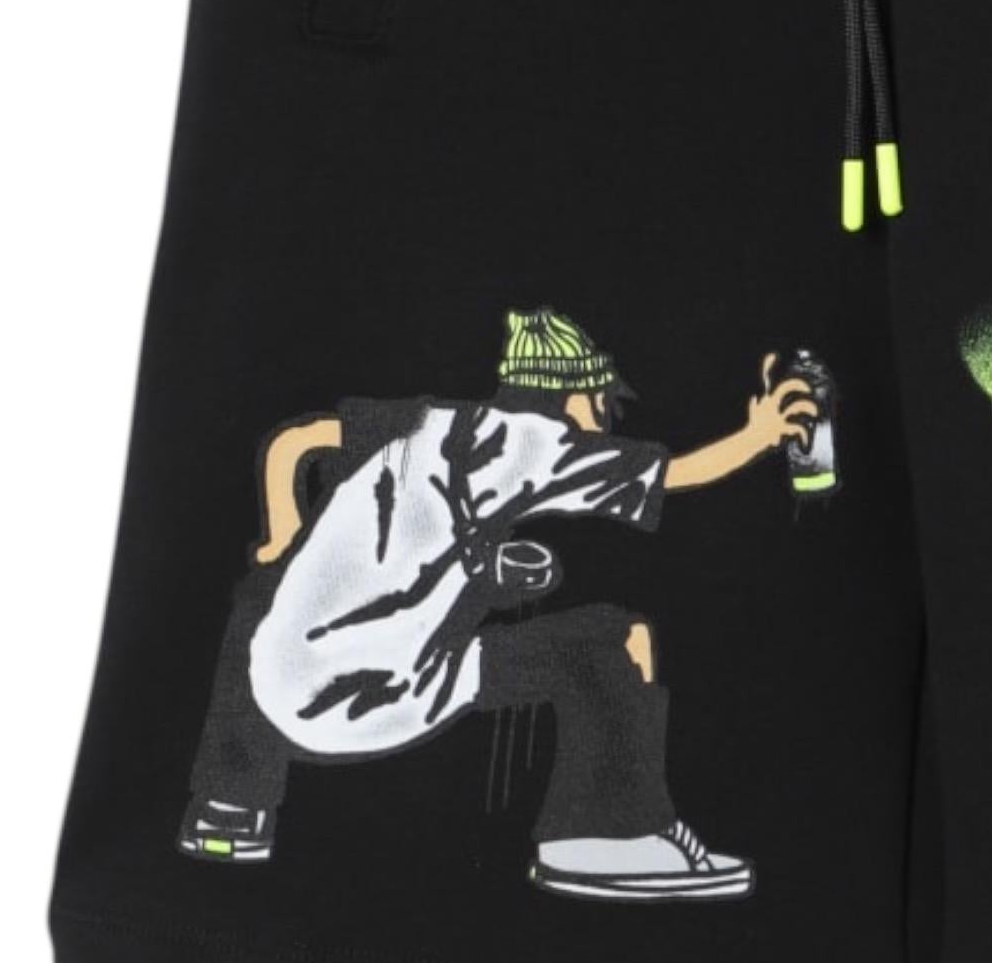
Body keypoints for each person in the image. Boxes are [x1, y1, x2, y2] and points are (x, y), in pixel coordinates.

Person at [177, 308, 817, 901]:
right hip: (376, 701)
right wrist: (759, 434)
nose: (605, 419)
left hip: (272, 692)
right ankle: (608, 836)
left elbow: (297, 441)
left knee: (266, 597)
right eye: (603, 402)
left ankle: (229, 810)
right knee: (616, 644)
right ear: (576, 395)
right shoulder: (543, 445)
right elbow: (678, 474)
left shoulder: (426, 421)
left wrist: (283, 539)